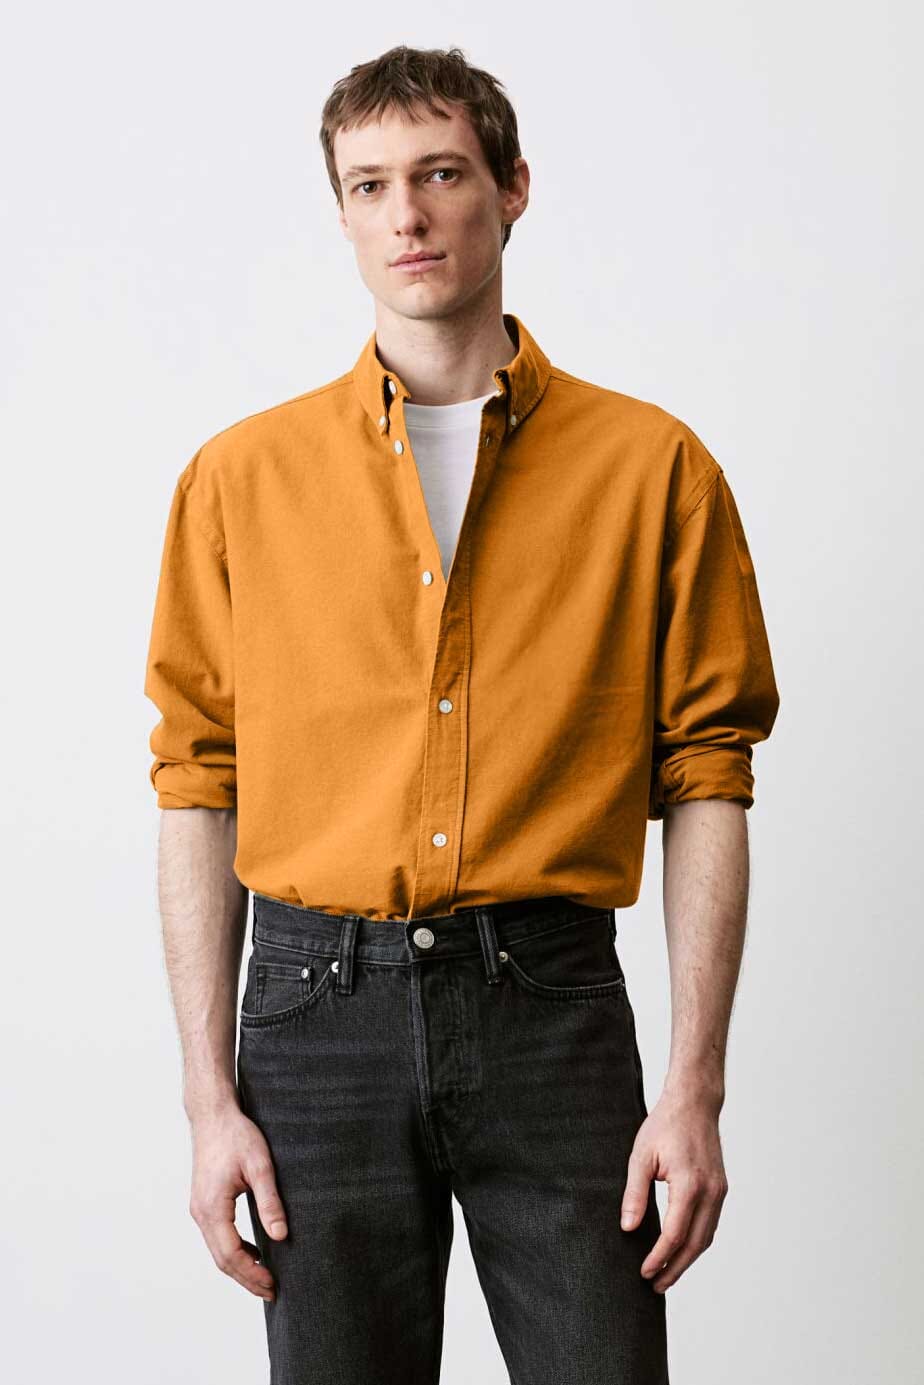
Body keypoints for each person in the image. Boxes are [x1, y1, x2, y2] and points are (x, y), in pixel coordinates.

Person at [144, 43, 780, 1385]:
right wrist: (208, 1101)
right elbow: (197, 783)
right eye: (370, 185)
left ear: (513, 189)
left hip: (549, 1003)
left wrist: (694, 1089)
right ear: (341, 212)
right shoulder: (239, 481)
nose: (408, 216)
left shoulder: (654, 470)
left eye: (440, 174)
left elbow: (708, 776)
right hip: (314, 1018)